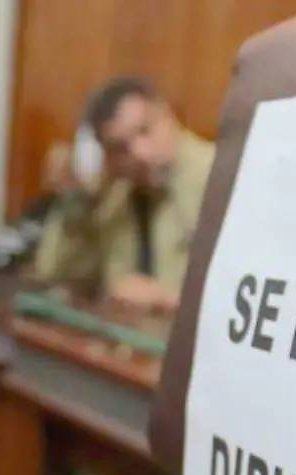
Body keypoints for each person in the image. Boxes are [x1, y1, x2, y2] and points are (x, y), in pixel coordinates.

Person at [33, 75, 216, 313]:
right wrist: (79, 200)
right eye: (121, 148)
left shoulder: (220, 176)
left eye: (145, 130)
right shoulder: (113, 194)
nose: (139, 153)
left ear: (166, 114)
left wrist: (163, 298)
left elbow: (244, 305)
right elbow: (54, 274)